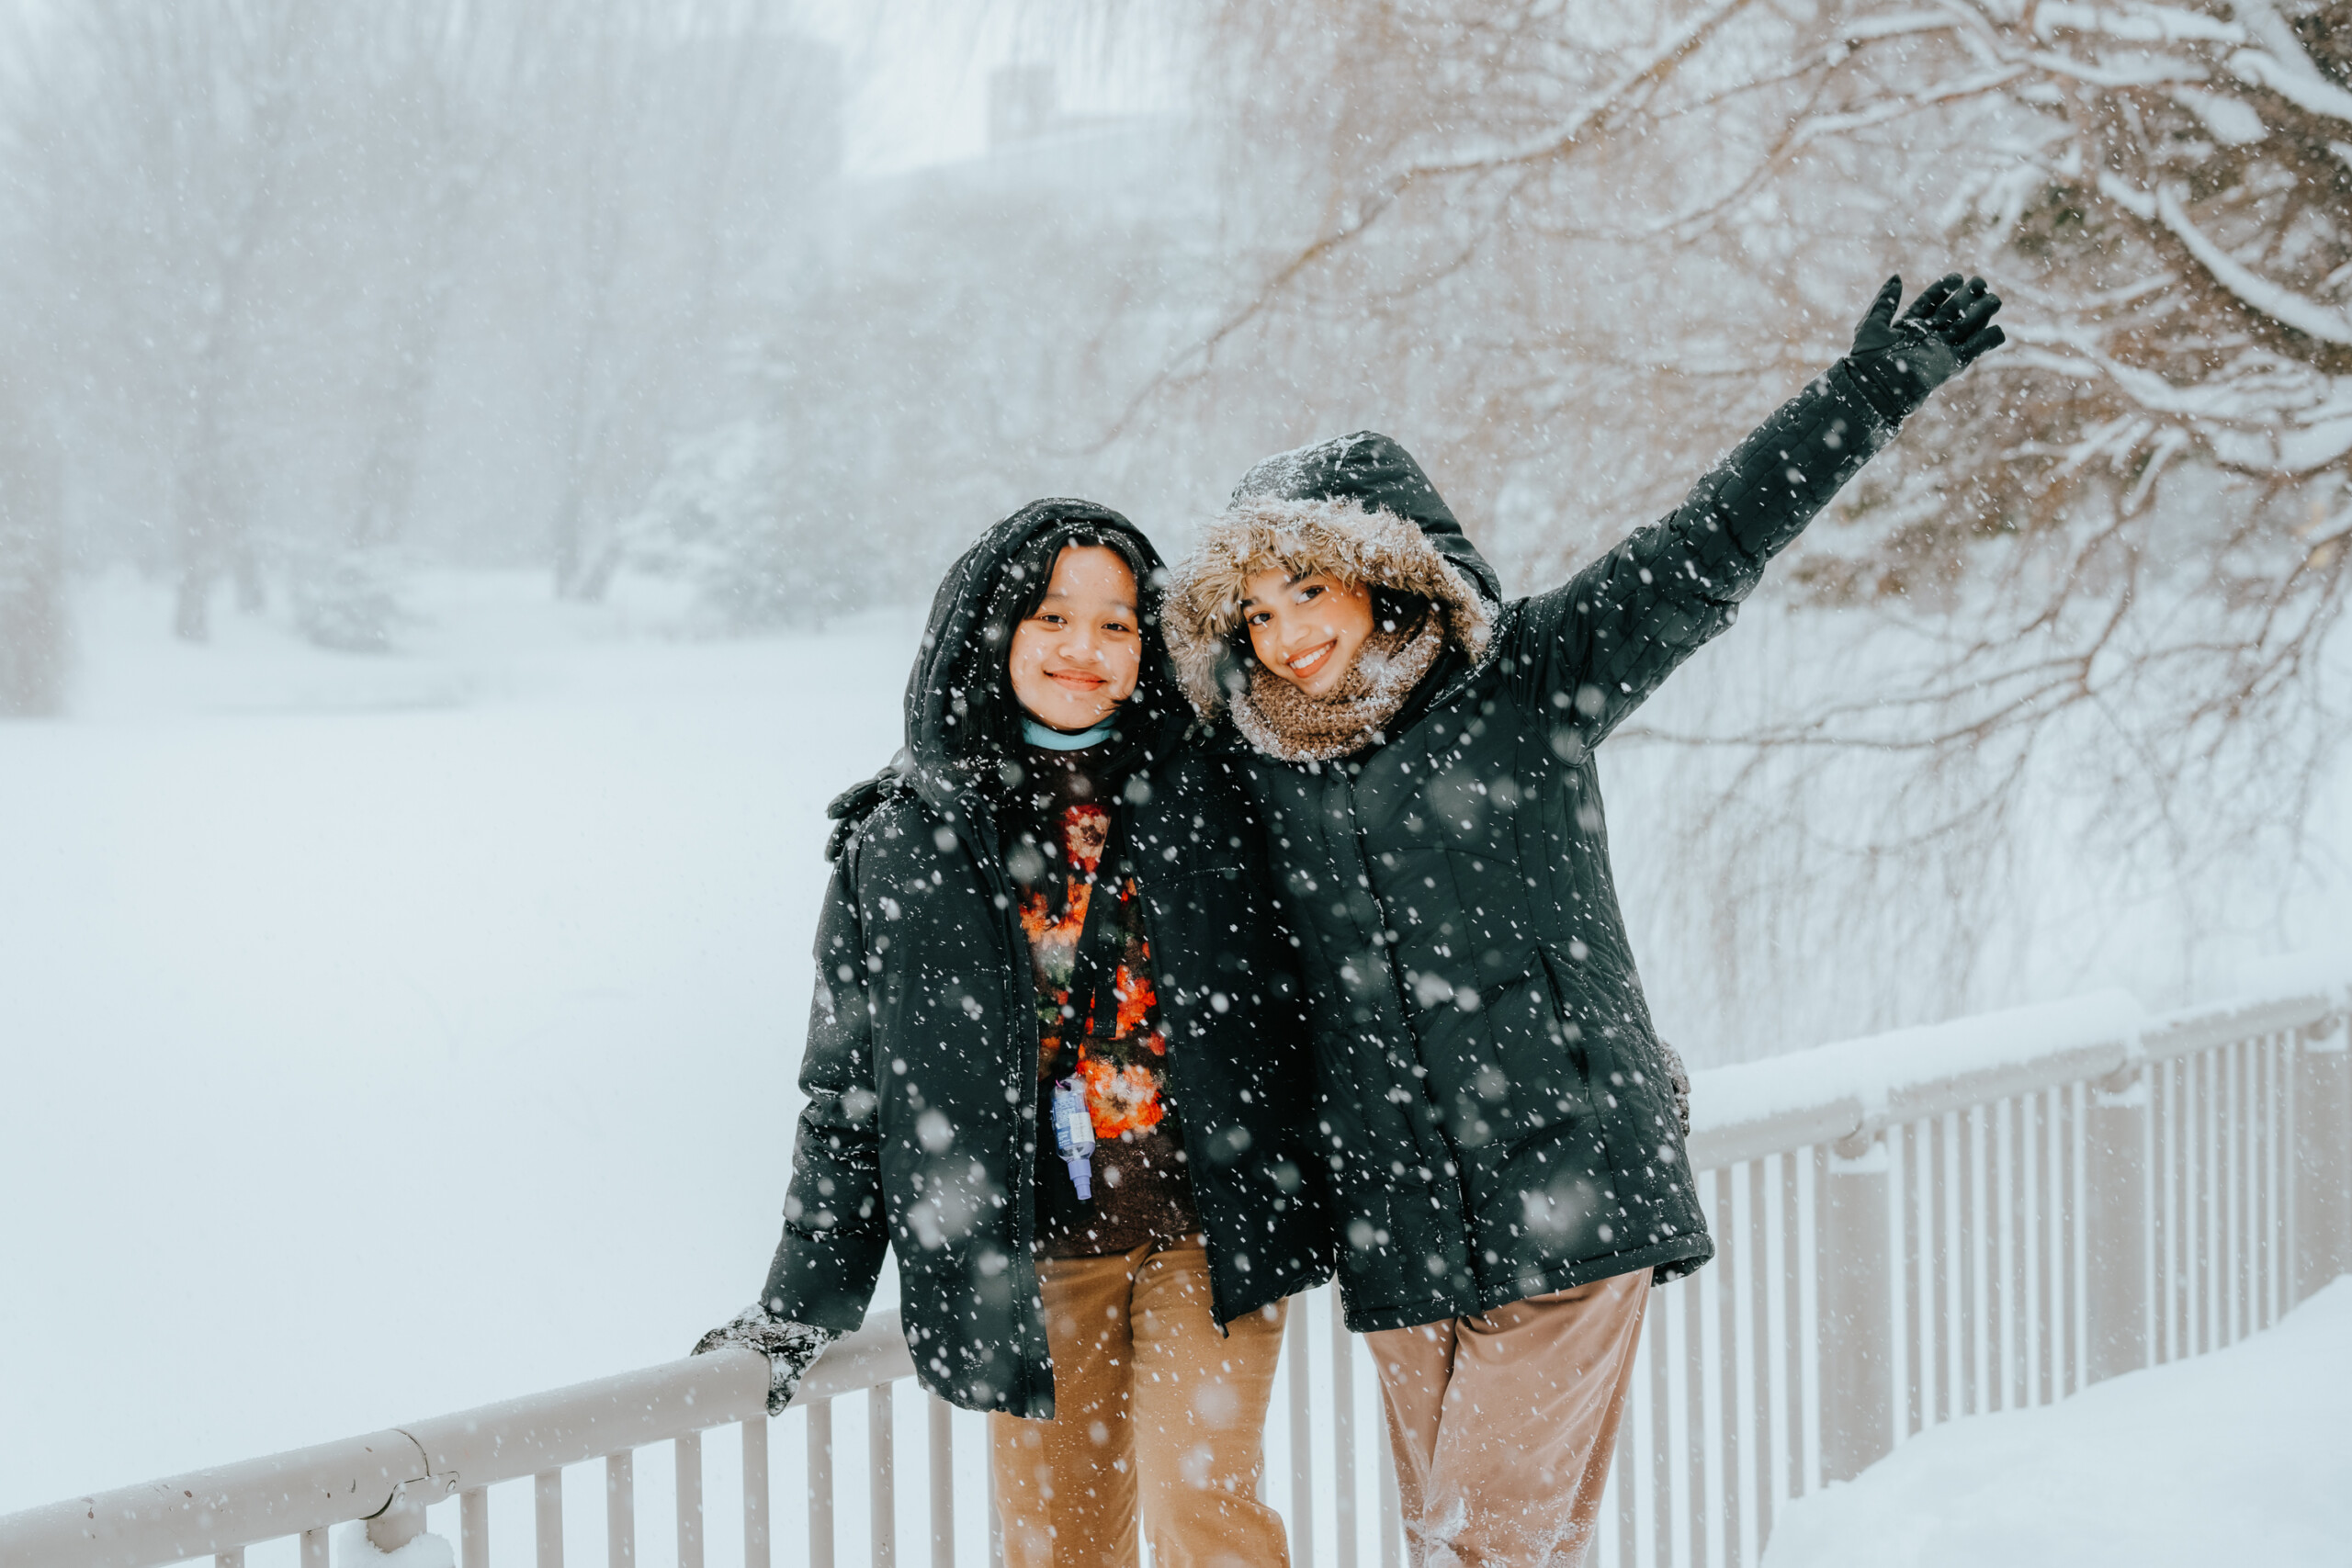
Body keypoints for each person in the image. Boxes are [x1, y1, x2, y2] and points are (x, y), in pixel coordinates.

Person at [1161, 275, 2006, 1564]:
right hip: (1399, 1222)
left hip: (1569, 1176)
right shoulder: (1255, 769)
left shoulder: (1526, 685)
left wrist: (1872, 387)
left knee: (1481, 1543)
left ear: (1385, 573)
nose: (1284, 639)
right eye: (1257, 614)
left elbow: (1709, 540)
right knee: (1479, 1539)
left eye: (1307, 594)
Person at [695, 499, 1332, 1568]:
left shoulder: (1215, 787)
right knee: (1056, 1548)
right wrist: (799, 1301)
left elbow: (1340, 973)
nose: (1084, 650)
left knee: (1202, 1514)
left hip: (1208, 1235)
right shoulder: (906, 838)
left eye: (1119, 625)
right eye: (1053, 618)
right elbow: (851, 1086)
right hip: (1033, 1257)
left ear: (1150, 647)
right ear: (993, 631)